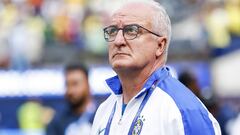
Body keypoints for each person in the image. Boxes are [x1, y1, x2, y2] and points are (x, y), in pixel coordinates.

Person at [91, 0, 221, 135]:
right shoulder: (104, 109)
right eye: (112, 31)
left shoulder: (184, 111)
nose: (118, 41)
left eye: (131, 31)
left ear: (160, 46)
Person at [46, 64, 96, 135]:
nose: (70, 91)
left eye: (75, 84)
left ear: (87, 84)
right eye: (67, 85)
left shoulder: (103, 115)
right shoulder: (57, 122)